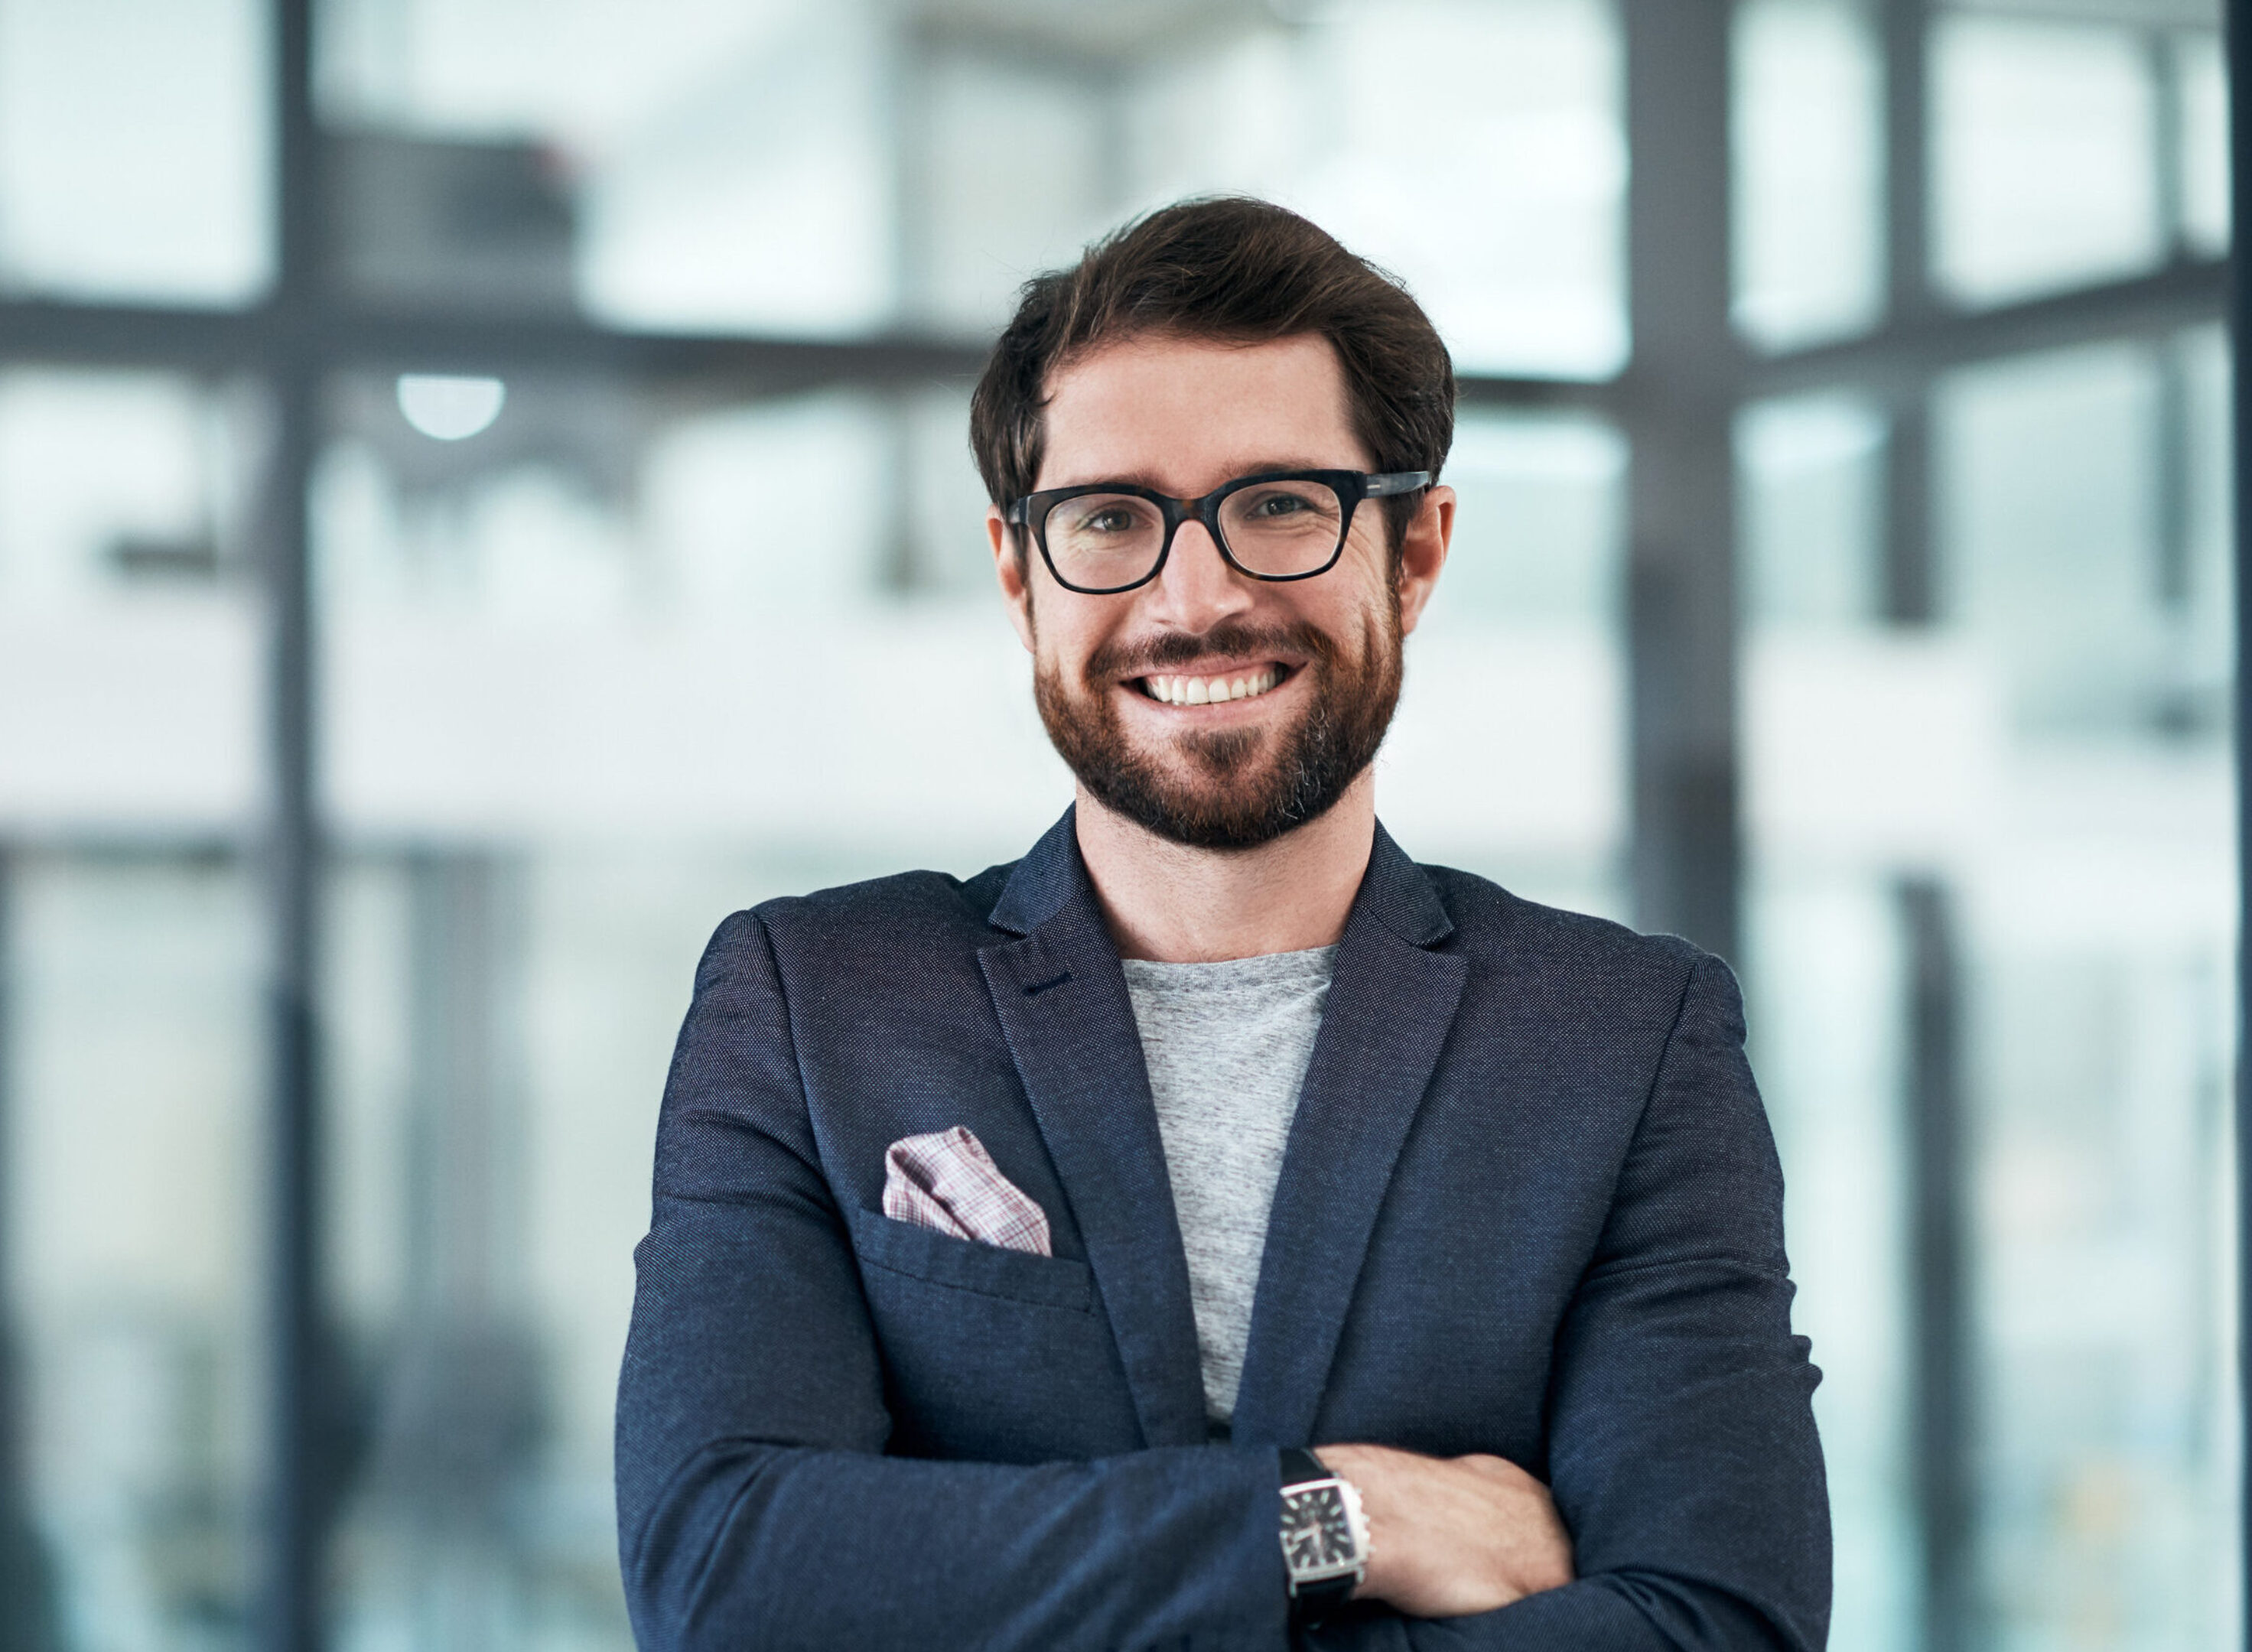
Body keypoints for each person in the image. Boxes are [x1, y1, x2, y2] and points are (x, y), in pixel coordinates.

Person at [613, 197, 1828, 1650]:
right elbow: (726, 1574)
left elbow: (1716, 1625)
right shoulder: (813, 1003)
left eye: (1279, 505)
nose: (1199, 599)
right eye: (1112, 519)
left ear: (1417, 553)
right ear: (1019, 577)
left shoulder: (1626, 1043)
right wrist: (1335, 1521)